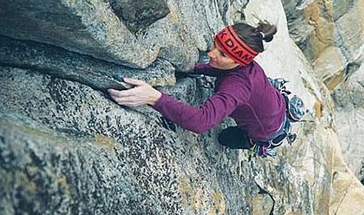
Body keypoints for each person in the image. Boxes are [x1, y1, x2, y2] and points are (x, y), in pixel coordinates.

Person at [109, 21, 292, 153]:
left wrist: (154, 97)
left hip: (267, 131)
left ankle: (255, 141)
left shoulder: (237, 87)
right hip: (275, 105)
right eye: (215, 45)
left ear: (238, 61)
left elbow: (201, 122)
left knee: (224, 138)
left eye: (222, 54)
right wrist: (188, 67)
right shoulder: (246, 64)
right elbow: (220, 70)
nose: (211, 54)